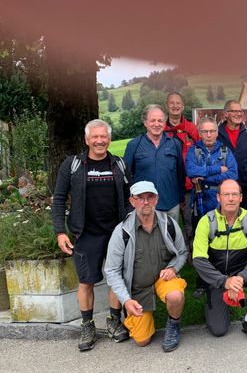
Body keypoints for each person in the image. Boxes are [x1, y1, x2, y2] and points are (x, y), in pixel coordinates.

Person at [51, 119, 130, 351]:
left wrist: (128, 224)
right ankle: (87, 325)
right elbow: (58, 199)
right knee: (86, 282)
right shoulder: (73, 165)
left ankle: (115, 321)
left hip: (115, 232)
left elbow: (128, 198)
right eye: (94, 137)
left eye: (103, 136)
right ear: (87, 140)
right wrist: (59, 232)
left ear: (109, 139)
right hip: (85, 233)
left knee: (116, 278)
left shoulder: (119, 164)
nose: (99, 140)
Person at [104, 181, 187, 352]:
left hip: (163, 280)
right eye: (140, 198)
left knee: (175, 296)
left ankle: (173, 325)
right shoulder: (121, 232)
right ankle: (133, 317)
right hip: (138, 289)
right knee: (142, 341)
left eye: (150, 197)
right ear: (132, 202)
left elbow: (182, 253)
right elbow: (111, 271)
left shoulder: (169, 224)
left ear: (156, 199)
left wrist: (173, 269)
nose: (145, 202)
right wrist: (126, 301)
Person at [192, 179, 247, 343]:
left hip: (241, 272)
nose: (231, 198)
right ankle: (219, 299)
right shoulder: (206, 222)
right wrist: (224, 282)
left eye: (235, 194)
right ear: (218, 198)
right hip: (217, 277)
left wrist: (240, 278)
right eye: (226, 194)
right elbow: (198, 260)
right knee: (218, 330)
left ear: (241, 197)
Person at [186, 116, 237, 298]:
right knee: (202, 243)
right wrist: (217, 170)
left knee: (221, 241)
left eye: (212, 131)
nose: (209, 134)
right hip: (199, 203)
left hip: (219, 203)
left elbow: (232, 174)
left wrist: (205, 177)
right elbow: (191, 171)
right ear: (199, 133)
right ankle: (202, 283)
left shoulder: (225, 151)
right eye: (205, 131)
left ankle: (223, 279)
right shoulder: (194, 150)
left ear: (217, 132)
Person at [124, 104, 185, 222]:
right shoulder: (134, 145)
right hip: (144, 206)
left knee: (171, 238)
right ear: (145, 123)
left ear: (165, 122)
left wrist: (180, 198)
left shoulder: (174, 144)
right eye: (152, 120)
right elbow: (126, 177)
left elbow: (180, 173)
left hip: (171, 204)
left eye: (160, 121)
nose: (156, 124)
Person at [163, 92, 200, 250]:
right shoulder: (161, 129)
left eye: (178, 103)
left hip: (188, 186)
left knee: (190, 222)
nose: (175, 106)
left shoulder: (191, 128)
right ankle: (171, 254)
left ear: (183, 106)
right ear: (167, 106)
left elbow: (200, 152)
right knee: (167, 224)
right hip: (168, 186)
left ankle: (192, 253)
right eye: (172, 103)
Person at [217, 100, 247, 213]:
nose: (238, 114)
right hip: (225, 186)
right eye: (234, 111)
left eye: (240, 111)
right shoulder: (217, 134)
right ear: (225, 114)